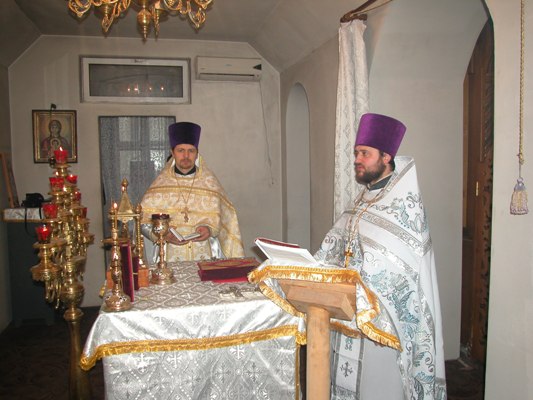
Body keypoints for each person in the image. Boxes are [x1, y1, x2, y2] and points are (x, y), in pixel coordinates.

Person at [314, 113, 447, 399]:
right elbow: (335, 248)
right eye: (356, 153)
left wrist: (364, 288)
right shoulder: (363, 199)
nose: (357, 160)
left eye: (365, 153)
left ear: (386, 157)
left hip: (382, 326)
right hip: (347, 315)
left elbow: (403, 274)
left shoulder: (404, 207)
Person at [140, 121, 244, 262]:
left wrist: (210, 229)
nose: (186, 156)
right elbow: (143, 222)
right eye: (181, 150)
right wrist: (162, 235)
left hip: (206, 256)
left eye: (191, 151)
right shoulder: (159, 186)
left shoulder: (210, 183)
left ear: (197, 154)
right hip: (168, 258)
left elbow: (228, 220)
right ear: (172, 152)